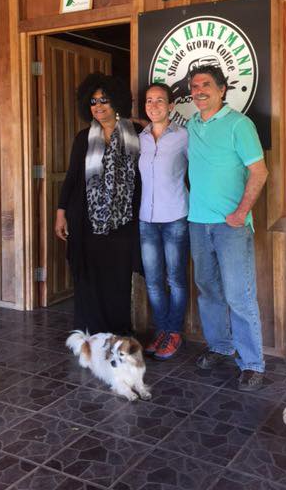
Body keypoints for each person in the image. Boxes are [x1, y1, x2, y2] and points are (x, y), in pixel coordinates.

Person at [186, 64, 268, 390]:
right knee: (208, 291)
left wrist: (240, 212)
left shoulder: (239, 125)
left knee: (239, 295)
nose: (199, 90)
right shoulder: (191, 124)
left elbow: (259, 172)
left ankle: (252, 363)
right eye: (194, 85)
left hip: (231, 227)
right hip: (197, 223)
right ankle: (221, 346)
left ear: (222, 90)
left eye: (206, 84)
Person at [55, 73, 141, 335]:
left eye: (104, 100)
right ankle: (89, 333)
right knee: (89, 278)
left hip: (124, 221)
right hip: (86, 220)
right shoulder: (83, 138)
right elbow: (72, 178)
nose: (99, 106)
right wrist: (61, 213)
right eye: (93, 102)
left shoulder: (136, 133)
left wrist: (137, 121)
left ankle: (118, 333)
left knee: (118, 279)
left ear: (116, 101)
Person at [138, 83, 189, 360]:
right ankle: (161, 330)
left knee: (176, 279)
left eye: (160, 101)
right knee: (154, 281)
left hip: (175, 217)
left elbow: (201, 168)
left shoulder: (184, 136)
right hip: (146, 218)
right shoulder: (141, 137)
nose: (154, 105)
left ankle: (174, 332)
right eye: (149, 101)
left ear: (171, 106)